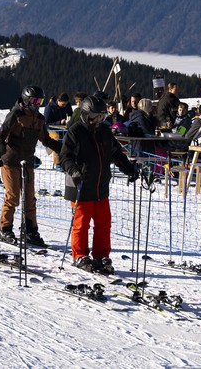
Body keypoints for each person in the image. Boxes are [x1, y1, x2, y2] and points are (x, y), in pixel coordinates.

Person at [60, 95, 136, 273]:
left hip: (100, 186)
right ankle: (79, 255)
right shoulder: (75, 131)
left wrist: (128, 168)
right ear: (86, 115)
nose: (98, 121)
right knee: (81, 223)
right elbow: (65, 157)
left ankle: (101, 255)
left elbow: (115, 152)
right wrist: (74, 171)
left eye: (102, 117)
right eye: (95, 117)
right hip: (81, 185)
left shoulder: (104, 131)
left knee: (103, 223)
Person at [0, 85, 61, 247]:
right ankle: (5, 228)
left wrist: (63, 149)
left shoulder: (39, 119)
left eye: (41, 101)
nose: (38, 104)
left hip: (27, 162)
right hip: (10, 161)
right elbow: (0, 135)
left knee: (30, 199)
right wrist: (0, 150)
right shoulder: (16, 114)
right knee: (13, 196)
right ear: (26, 99)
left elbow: (45, 139)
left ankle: (30, 231)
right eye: (36, 100)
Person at [42, 93, 72, 166]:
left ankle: (68, 161)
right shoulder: (49, 107)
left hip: (64, 129)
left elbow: (71, 115)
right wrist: (59, 122)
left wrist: (69, 120)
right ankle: (57, 162)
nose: (64, 106)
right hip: (51, 129)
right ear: (58, 101)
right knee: (58, 139)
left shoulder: (67, 106)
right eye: (62, 104)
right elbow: (46, 123)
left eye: (65, 104)